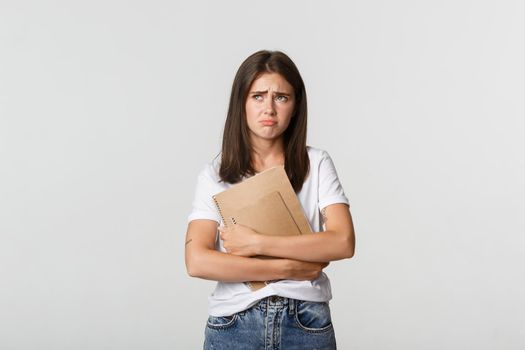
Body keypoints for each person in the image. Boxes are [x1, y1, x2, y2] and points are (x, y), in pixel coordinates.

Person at [185, 50, 355, 349]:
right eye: (258, 96)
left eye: (281, 97)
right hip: (234, 323)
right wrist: (288, 268)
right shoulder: (215, 174)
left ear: (295, 105)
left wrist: (256, 244)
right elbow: (197, 261)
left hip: (306, 322)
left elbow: (342, 242)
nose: (269, 109)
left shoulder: (316, 163)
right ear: (242, 103)